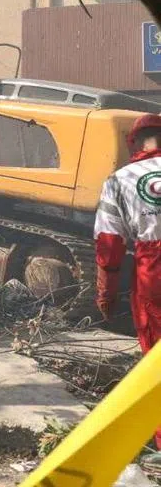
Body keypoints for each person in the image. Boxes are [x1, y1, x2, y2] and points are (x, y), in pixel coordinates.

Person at [94, 112, 161, 447]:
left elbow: (109, 245)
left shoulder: (119, 180)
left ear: (133, 142)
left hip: (153, 275)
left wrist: (106, 295)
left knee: (156, 362)